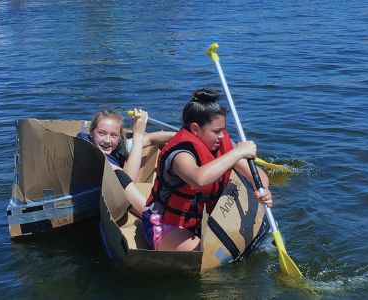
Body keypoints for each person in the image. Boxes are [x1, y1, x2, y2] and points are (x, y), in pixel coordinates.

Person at [142, 89, 273, 251]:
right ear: (195, 129)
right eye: (216, 131)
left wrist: (263, 189)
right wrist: (238, 152)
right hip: (164, 224)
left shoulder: (222, 144)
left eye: (223, 130)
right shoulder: (181, 155)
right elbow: (199, 178)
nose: (222, 136)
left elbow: (258, 174)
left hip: (197, 221)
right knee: (205, 256)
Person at [77, 108, 175, 217]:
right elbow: (127, 180)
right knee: (119, 175)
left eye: (114, 135)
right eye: (101, 133)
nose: (107, 140)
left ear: (119, 137)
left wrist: (183, 136)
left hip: (111, 197)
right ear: (91, 133)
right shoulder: (87, 148)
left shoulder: (116, 147)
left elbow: (151, 139)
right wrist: (138, 134)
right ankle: (154, 217)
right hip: (90, 203)